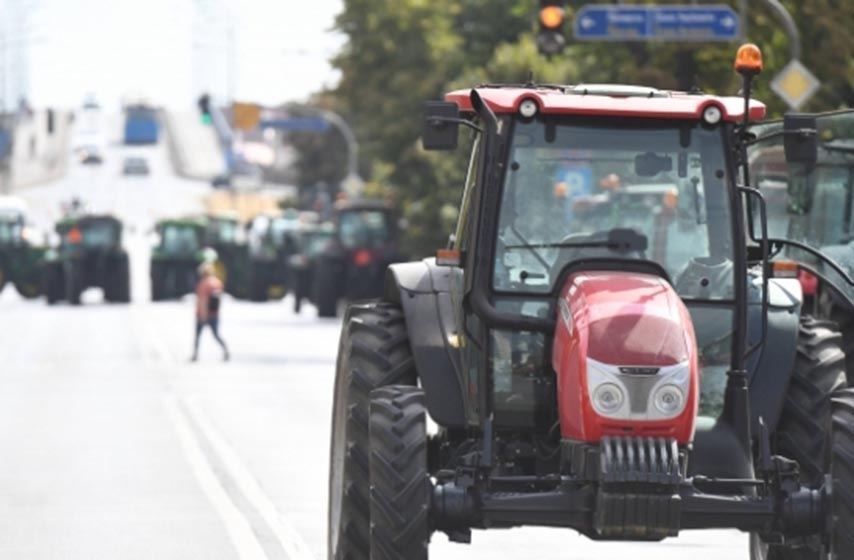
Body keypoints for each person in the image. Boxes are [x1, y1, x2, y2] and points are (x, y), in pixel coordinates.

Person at [192, 262, 230, 362]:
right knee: (216, 334)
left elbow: (203, 300)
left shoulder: (203, 284)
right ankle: (225, 350)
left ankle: (195, 355)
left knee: (198, 335)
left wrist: (203, 316)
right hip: (215, 314)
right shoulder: (217, 283)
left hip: (203, 314)